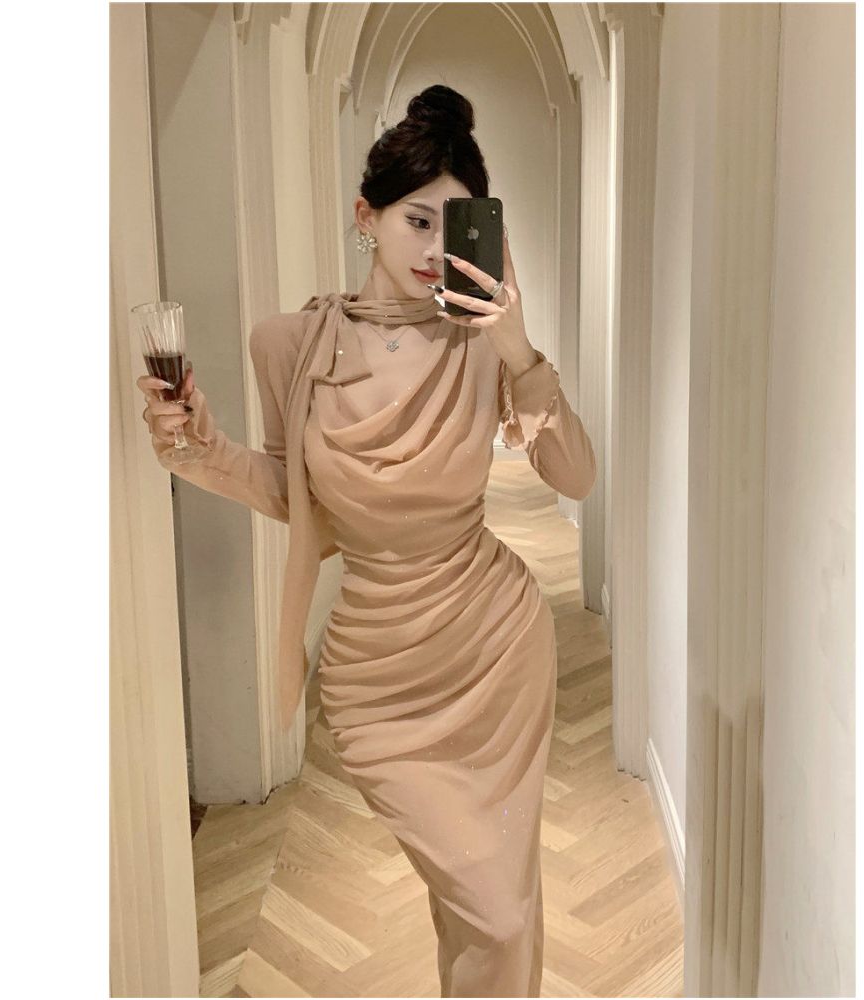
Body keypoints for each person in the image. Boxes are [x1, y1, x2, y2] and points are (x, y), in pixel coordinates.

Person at [136, 83, 596, 998]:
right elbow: (295, 496)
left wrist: (518, 347)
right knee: (483, 905)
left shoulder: (480, 345)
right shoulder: (290, 345)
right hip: (378, 677)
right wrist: (198, 450)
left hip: (496, 650)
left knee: (493, 910)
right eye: (416, 221)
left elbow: (575, 477)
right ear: (365, 218)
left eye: (453, 228)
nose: (433, 250)